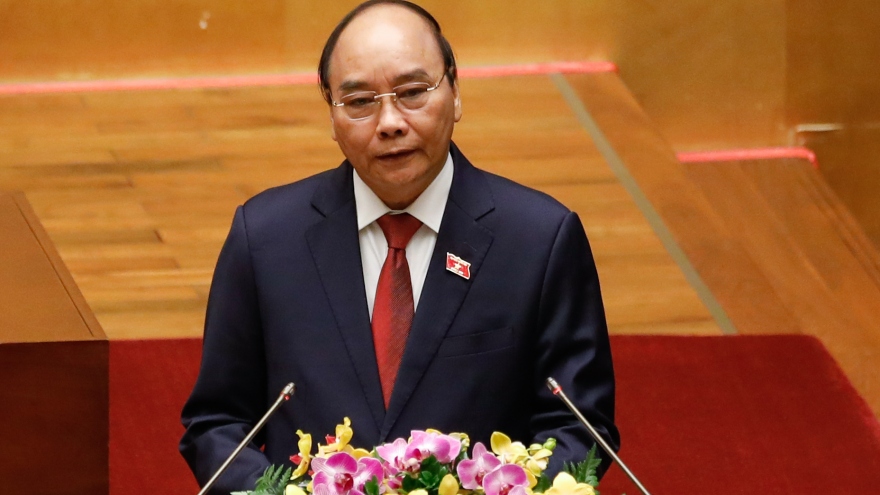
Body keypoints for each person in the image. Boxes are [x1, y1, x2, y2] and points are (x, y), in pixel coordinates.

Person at [180, 1, 619, 493]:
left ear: (455, 92)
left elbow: (579, 428)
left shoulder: (539, 240)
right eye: (360, 101)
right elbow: (218, 423)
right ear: (331, 114)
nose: (389, 122)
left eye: (412, 93)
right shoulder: (265, 238)